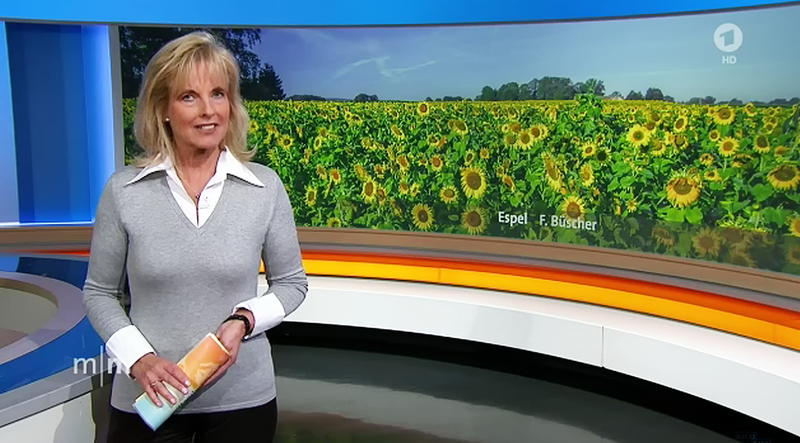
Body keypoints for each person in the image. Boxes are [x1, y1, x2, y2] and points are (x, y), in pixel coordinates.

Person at [83, 31, 307, 443]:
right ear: (163, 109)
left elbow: (292, 284)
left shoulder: (265, 187)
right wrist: (139, 360)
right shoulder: (124, 191)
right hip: (149, 400)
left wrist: (243, 321)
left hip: (242, 400)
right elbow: (99, 293)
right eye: (189, 97)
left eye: (218, 94)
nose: (208, 111)